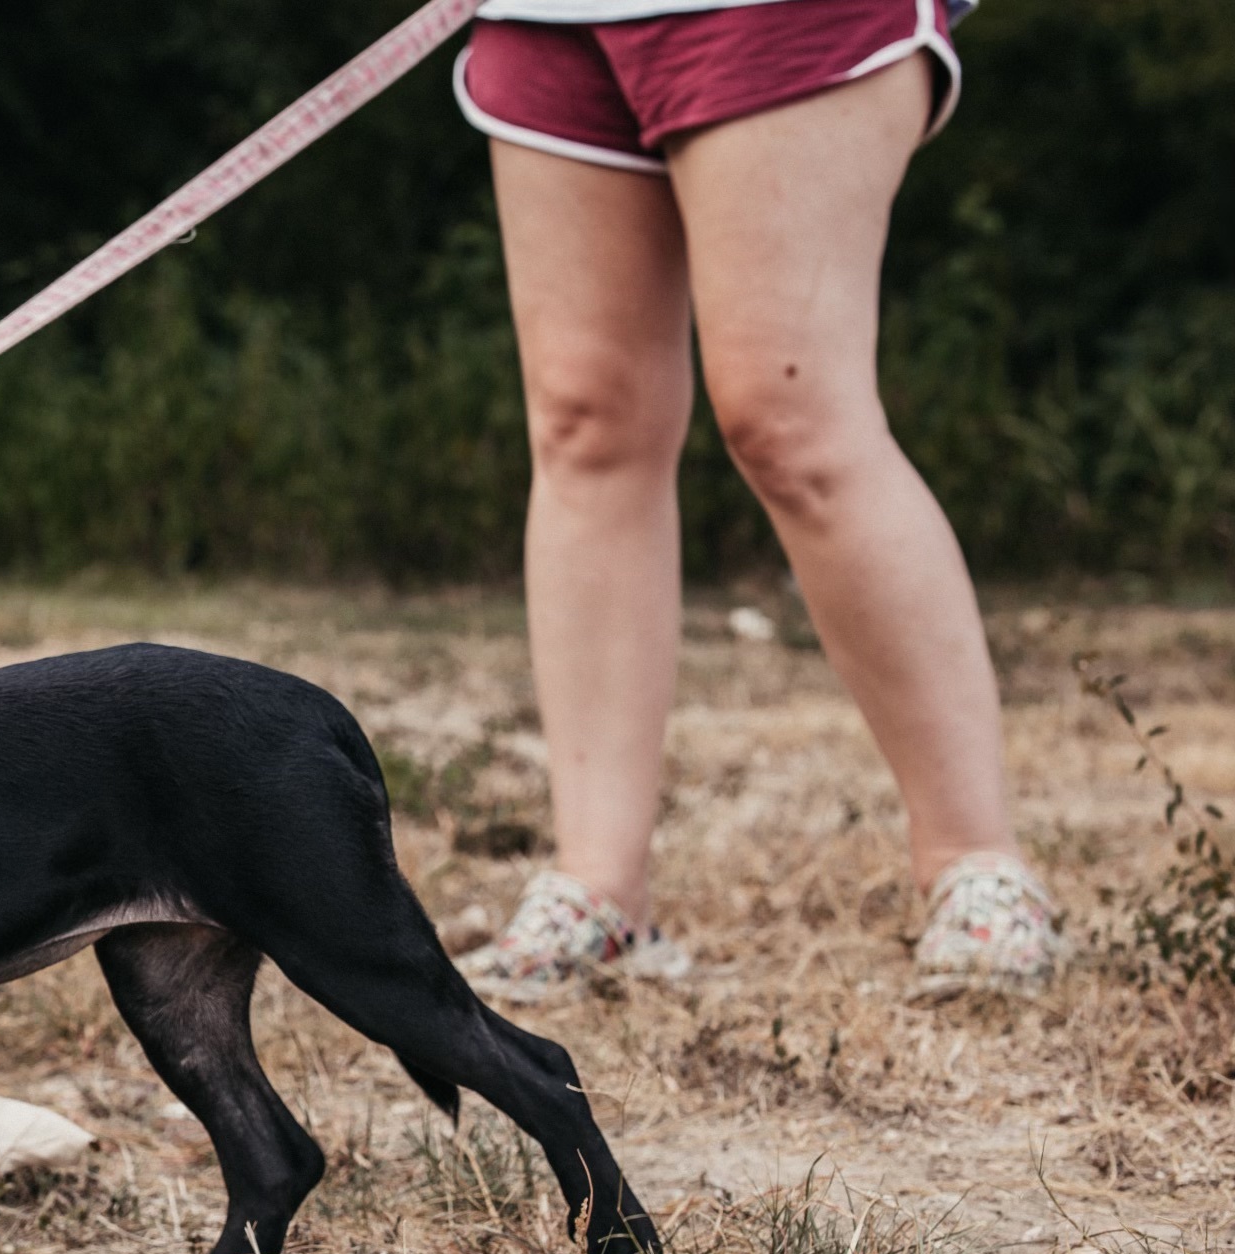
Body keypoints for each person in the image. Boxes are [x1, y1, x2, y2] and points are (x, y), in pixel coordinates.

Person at [444, 0, 1060, 1003]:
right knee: (584, 420)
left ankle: (974, 861)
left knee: (791, 415)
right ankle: (602, 891)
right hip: (546, 12)